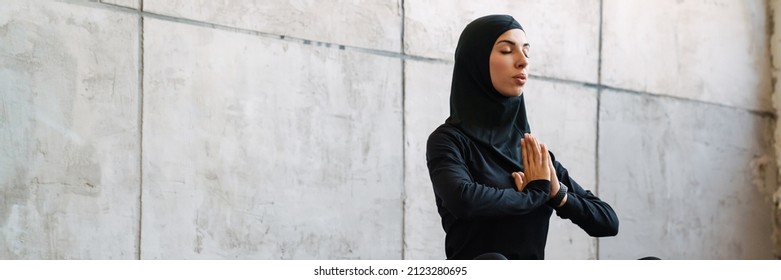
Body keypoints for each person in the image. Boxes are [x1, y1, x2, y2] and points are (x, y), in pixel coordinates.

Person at [426, 14, 619, 260]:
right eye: (507, 51)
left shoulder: (532, 153)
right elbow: (464, 200)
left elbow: (608, 222)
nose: (522, 62)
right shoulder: (449, 141)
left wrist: (558, 195)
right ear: (475, 61)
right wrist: (534, 194)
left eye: (527, 52)